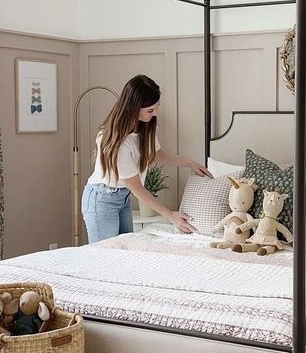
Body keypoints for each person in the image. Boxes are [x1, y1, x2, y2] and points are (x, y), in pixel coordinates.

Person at [82, 74, 212, 242]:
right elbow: (136, 188)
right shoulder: (117, 143)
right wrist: (170, 215)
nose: (155, 113)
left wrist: (190, 163)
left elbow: (155, 154)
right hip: (102, 198)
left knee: (126, 250)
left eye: (156, 107)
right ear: (134, 108)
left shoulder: (143, 127)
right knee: (106, 255)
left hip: (122, 197)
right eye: (150, 110)